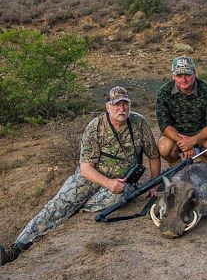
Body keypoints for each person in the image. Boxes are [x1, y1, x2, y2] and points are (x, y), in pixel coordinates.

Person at [0, 86, 161, 266]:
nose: (121, 109)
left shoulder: (139, 123)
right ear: (108, 106)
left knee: (121, 195)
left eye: (125, 104)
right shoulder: (95, 127)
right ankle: (17, 248)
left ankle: (77, 206)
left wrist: (154, 184)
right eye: (117, 105)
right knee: (56, 206)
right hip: (92, 177)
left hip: (122, 182)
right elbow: (85, 168)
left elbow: (153, 156)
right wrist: (108, 183)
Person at [156, 56, 207, 166]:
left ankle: (201, 159)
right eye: (179, 75)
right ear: (173, 76)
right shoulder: (164, 92)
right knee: (163, 147)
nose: (184, 79)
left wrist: (193, 141)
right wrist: (184, 144)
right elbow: (164, 125)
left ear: (194, 73)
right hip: (176, 136)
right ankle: (176, 164)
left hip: (200, 135)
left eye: (187, 74)